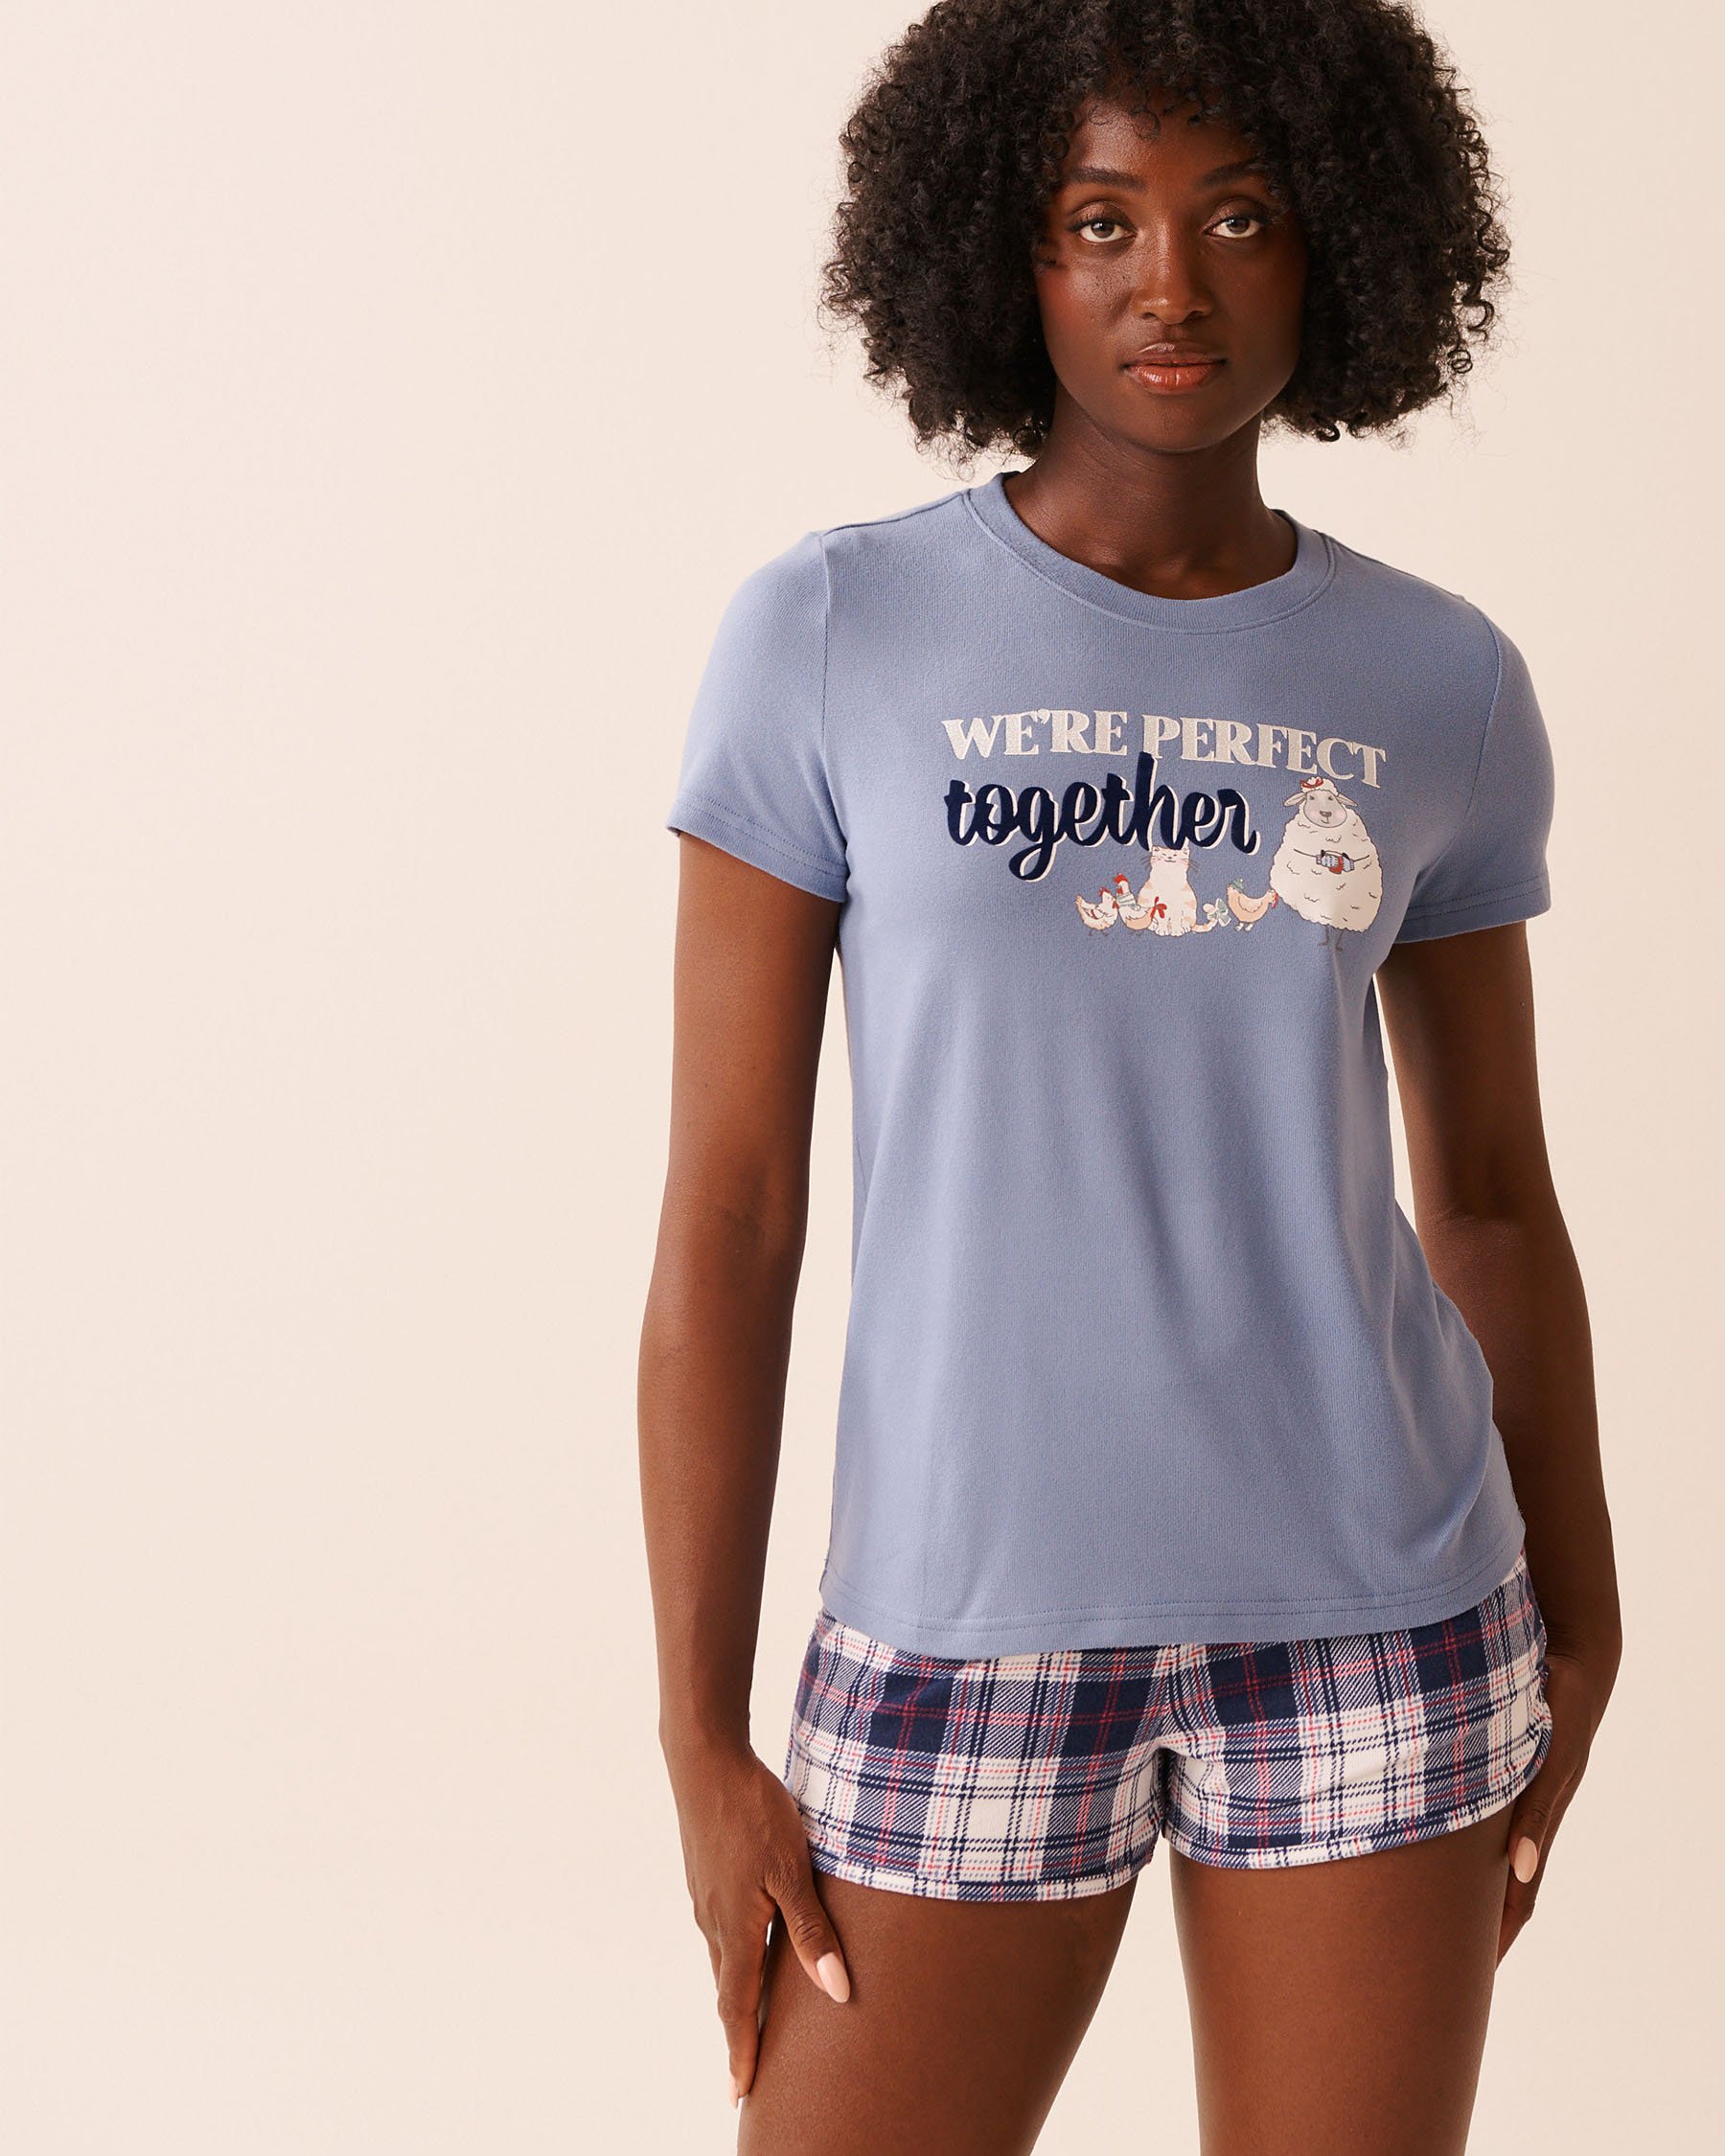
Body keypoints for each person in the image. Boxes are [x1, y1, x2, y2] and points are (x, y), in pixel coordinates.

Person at [638, 3, 1622, 2148]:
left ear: (1336, 240)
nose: (1170, 281)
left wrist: (1593, 1610)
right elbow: (731, 1212)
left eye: (1236, 216)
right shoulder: (832, 636)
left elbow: (1487, 1192)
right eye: (1102, 220)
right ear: (1007, 247)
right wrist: (700, 1740)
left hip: (1380, 1616)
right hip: (961, 1622)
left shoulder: (1439, 680)